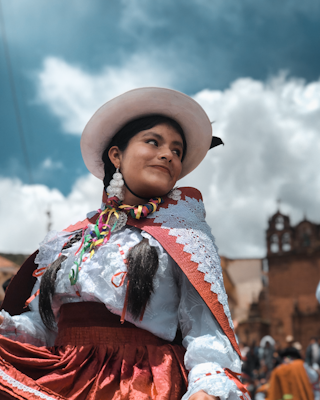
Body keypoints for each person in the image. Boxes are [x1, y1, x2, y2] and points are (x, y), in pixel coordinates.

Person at [0, 88, 248, 400]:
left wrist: (205, 389)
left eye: (177, 151)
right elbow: (45, 327)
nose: (169, 154)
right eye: (153, 142)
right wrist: (7, 325)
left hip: (141, 384)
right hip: (65, 375)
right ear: (116, 155)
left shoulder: (186, 237)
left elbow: (205, 332)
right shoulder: (71, 240)